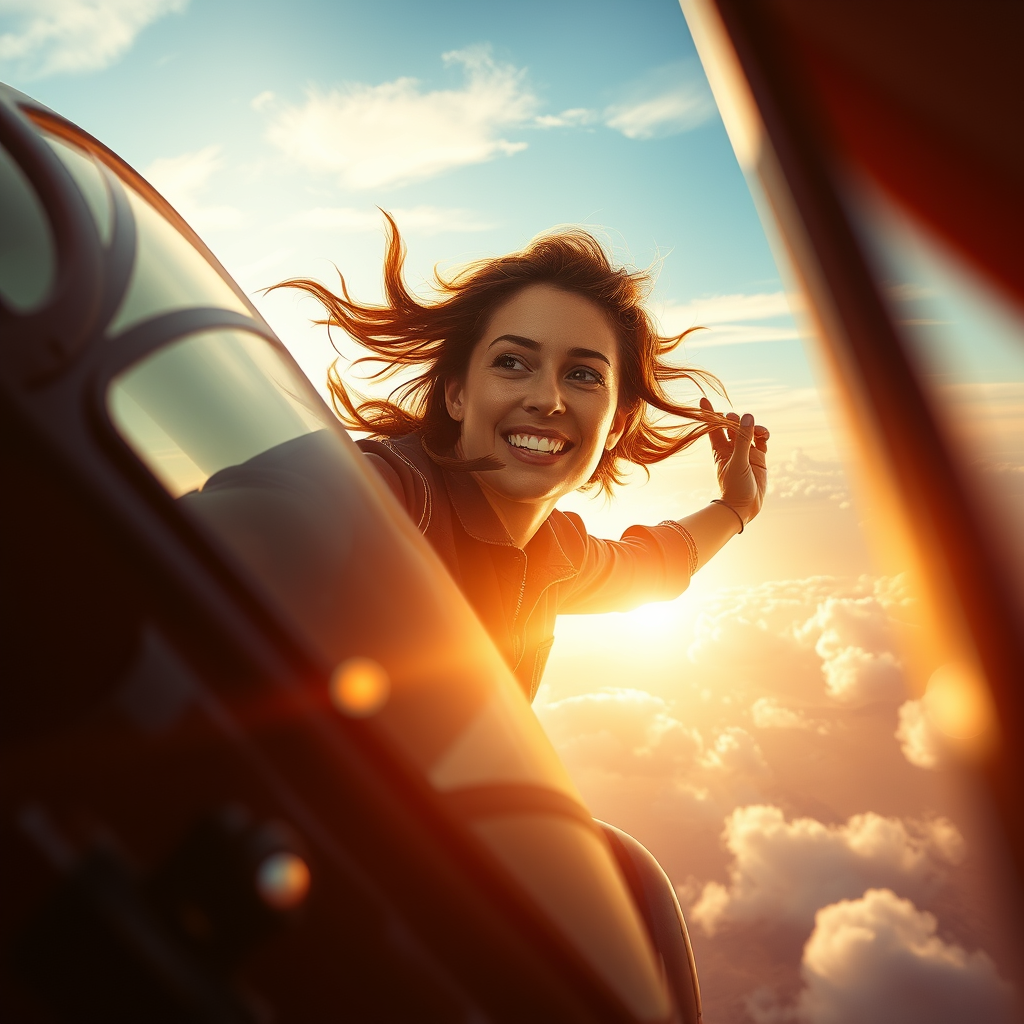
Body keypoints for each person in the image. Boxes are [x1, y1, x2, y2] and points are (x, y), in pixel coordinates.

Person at [274, 215, 768, 701]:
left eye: (583, 375)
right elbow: (275, 512)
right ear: (457, 395)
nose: (546, 399)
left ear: (616, 424)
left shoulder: (553, 554)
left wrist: (735, 508)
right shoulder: (388, 494)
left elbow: (652, 566)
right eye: (511, 362)